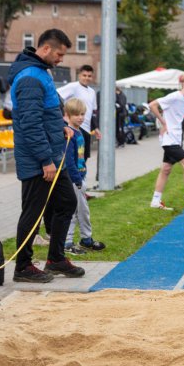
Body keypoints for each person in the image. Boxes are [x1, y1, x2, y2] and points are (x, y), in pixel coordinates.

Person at [7, 28, 84, 283]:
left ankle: (56, 259)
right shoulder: (30, 76)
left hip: (52, 155)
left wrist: (60, 127)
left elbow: (46, 112)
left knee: (66, 203)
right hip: (38, 161)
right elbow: (30, 123)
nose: (62, 59)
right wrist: (44, 160)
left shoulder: (41, 72)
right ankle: (23, 267)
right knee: (33, 212)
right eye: (60, 54)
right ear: (47, 49)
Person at [148, 73, 184, 211]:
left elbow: (173, 115)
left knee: (166, 169)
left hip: (176, 138)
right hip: (168, 139)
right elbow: (153, 105)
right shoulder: (174, 96)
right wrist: (163, 123)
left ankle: (155, 201)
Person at [61, 98, 106, 255]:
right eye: (76, 115)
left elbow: (80, 157)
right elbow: (69, 160)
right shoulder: (69, 134)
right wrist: (77, 179)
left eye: (82, 114)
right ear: (67, 115)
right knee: (77, 211)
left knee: (80, 210)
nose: (80, 118)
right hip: (74, 180)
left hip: (80, 177)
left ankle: (83, 239)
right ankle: (72, 241)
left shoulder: (79, 132)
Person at [57, 65, 102, 163]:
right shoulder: (73, 87)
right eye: (84, 75)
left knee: (83, 157)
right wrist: (63, 115)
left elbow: (93, 111)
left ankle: (81, 177)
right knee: (73, 157)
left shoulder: (92, 92)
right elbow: (56, 96)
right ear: (79, 75)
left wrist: (96, 128)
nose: (86, 78)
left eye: (89, 76)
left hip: (86, 129)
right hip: (74, 127)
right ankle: (74, 177)